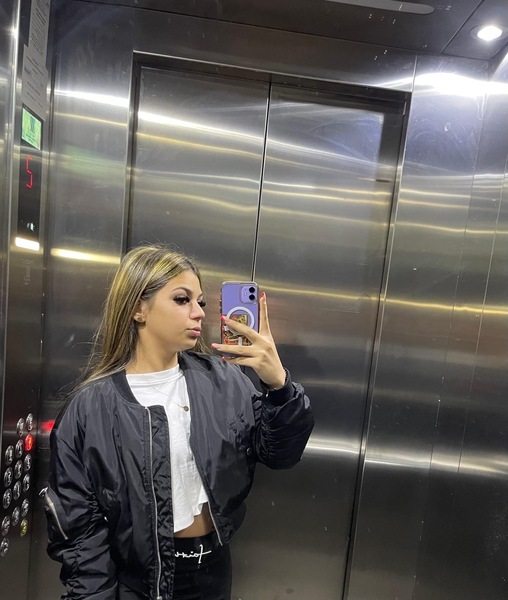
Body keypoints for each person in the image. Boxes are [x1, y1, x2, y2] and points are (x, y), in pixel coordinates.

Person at [42, 244, 314, 600]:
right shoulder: (92, 407)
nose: (198, 312)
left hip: (214, 572)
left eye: (200, 302)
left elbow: (280, 454)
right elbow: (79, 531)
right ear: (138, 308)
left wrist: (279, 386)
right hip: (137, 583)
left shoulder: (223, 381)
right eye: (182, 299)